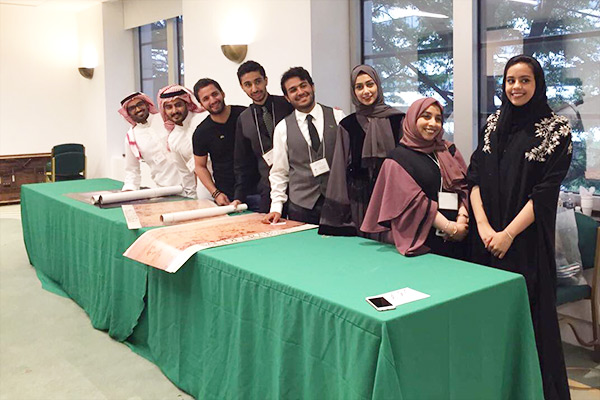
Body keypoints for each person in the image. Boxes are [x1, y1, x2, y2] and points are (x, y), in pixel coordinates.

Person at [467, 55, 572, 400]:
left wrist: (508, 235)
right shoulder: (492, 123)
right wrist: (484, 228)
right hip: (486, 243)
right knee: (487, 321)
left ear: (537, 84)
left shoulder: (557, 129)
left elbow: (544, 194)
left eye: (525, 80)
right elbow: (474, 178)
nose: (516, 87)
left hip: (525, 245)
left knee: (528, 323)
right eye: (511, 80)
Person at [360, 97, 469, 257]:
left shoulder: (447, 150)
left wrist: (462, 220)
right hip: (422, 243)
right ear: (412, 119)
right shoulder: (397, 159)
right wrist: (450, 228)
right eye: (426, 116)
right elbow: (415, 203)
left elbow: (464, 186)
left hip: (460, 239)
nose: (433, 123)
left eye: (438, 119)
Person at [319, 65, 405, 237]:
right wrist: (338, 219)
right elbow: (339, 170)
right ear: (354, 92)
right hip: (360, 204)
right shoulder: (347, 125)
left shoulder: (398, 120)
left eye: (370, 84)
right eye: (359, 87)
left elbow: (407, 165)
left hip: (393, 200)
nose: (366, 91)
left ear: (378, 86)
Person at [263, 67, 345, 224]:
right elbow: (279, 172)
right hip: (301, 207)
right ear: (287, 97)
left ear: (312, 87)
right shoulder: (282, 128)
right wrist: (276, 208)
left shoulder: (337, 117)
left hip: (337, 202)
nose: (300, 92)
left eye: (303, 85)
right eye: (293, 90)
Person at [234, 61, 294, 212]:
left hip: (296, 182)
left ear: (266, 80)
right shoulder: (244, 119)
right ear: (242, 87)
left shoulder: (286, 104)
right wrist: (239, 196)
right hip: (268, 187)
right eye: (248, 84)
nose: (254, 89)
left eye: (258, 81)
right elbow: (242, 163)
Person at [192, 78, 246, 205]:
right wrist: (216, 193)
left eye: (214, 94)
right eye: (206, 99)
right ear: (201, 104)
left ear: (222, 93)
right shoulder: (201, 132)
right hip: (227, 196)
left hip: (257, 191)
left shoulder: (244, 115)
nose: (212, 100)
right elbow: (200, 166)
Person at [117, 92, 182, 191]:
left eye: (140, 104)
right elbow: (132, 170)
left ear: (147, 105)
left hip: (193, 182)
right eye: (132, 108)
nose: (138, 109)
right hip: (166, 189)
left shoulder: (165, 118)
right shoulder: (131, 137)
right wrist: (129, 190)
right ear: (128, 113)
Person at [157, 84, 206, 198]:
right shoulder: (172, 139)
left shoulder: (203, 119)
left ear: (187, 104)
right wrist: (191, 197)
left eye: (178, 105)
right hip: (204, 187)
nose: (174, 111)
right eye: (169, 107)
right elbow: (185, 173)